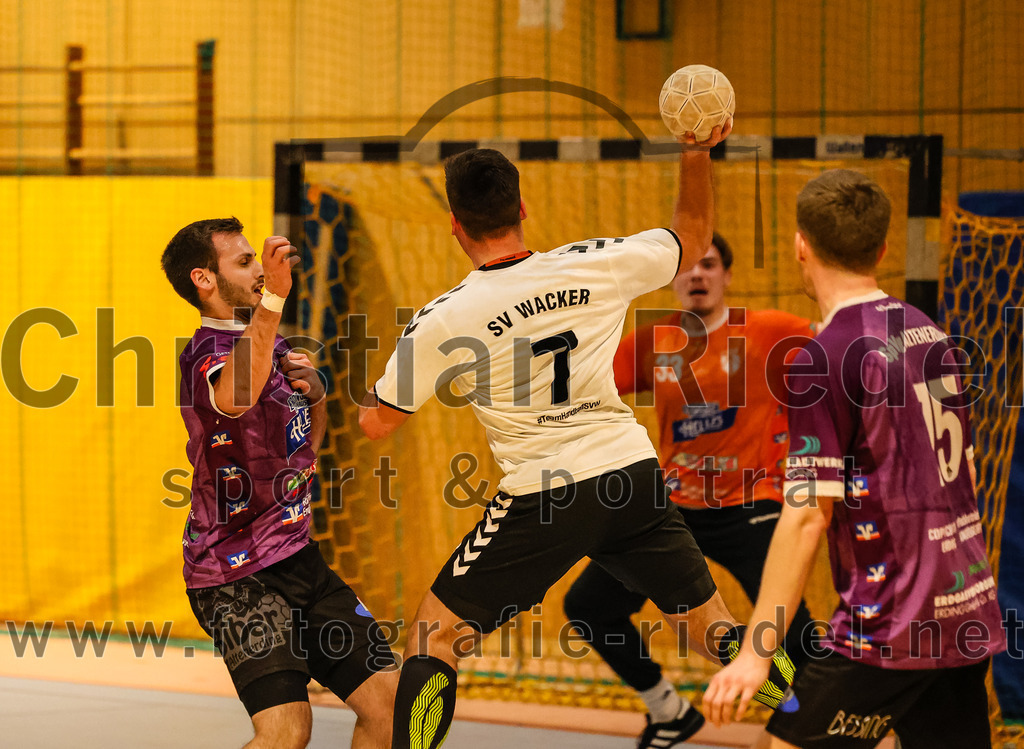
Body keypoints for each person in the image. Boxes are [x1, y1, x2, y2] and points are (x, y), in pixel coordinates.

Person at [360, 127, 794, 749]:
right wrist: (696, 150)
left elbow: (379, 423)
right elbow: (694, 238)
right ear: (522, 207)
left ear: (455, 224)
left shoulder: (443, 317)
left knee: (435, 638)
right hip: (632, 478)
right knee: (715, 630)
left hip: (544, 495)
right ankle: (811, 713)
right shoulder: (596, 263)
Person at [703, 170, 1006, 748]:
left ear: (801, 244)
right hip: (965, 609)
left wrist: (755, 653)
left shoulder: (824, 358)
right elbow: (964, 473)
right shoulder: (933, 335)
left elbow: (806, 514)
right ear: (883, 248)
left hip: (890, 620)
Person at [563, 231, 818, 748]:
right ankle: (669, 710)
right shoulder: (654, 342)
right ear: (672, 278)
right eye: (687, 267)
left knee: (798, 640)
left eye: (709, 264)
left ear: (726, 275)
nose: (697, 274)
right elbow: (581, 388)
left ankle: (805, 723)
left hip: (753, 506)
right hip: (673, 513)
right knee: (588, 606)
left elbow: (844, 349)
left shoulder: (770, 331)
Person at [161, 218, 398, 749]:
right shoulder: (206, 353)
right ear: (203, 279)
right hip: (234, 575)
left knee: (389, 706)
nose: (259, 272)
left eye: (256, 260)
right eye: (244, 263)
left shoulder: (273, 344)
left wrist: (313, 399)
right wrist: (274, 302)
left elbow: (301, 451)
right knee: (287, 730)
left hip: (298, 556)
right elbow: (236, 396)